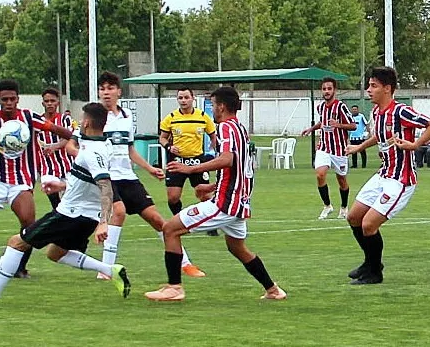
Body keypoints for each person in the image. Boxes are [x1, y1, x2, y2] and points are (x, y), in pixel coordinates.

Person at [0, 103, 130, 306]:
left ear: (87, 122)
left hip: (71, 215)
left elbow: (105, 186)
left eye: (82, 119)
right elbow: (90, 181)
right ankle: (110, 270)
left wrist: (104, 222)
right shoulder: (103, 145)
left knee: (16, 242)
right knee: (55, 253)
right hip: (84, 216)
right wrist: (62, 185)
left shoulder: (93, 152)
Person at [145, 86, 286, 302]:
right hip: (238, 201)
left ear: (221, 106)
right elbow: (239, 168)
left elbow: (227, 159)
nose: (212, 110)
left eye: (212, 105)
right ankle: (273, 289)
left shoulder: (226, 128)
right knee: (236, 247)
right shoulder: (240, 128)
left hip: (225, 204)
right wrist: (210, 187)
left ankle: (174, 288)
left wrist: (190, 169)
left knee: (170, 229)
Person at [0, 79, 72, 280]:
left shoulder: (29, 118)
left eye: (12, 99)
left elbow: (62, 132)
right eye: (4, 99)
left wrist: (63, 136)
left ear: (18, 99)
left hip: (20, 180)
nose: (9, 102)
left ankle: (20, 268)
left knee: (29, 225)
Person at [91, 71, 203, 280]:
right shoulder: (94, 117)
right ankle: (106, 269)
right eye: (102, 89)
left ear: (118, 92)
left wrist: (150, 169)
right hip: (106, 178)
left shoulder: (126, 117)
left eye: (110, 88)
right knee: (119, 212)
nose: (106, 93)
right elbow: (77, 145)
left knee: (157, 219)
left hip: (128, 177)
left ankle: (185, 263)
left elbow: (130, 150)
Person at [344, 67, 430, 285]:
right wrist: (359, 148)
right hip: (383, 174)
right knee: (353, 218)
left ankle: (375, 273)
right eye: (369, 85)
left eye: (373, 86)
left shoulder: (401, 111)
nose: (369, 90)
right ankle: (371, 263)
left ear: (387, 89)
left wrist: (415, 144)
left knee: (369, 225)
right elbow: (379, 136)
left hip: (401, 180)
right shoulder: (377, 112)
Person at [158, 87, 218, 228]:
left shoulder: (202, 116)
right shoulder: (171, 118)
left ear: (193, 98)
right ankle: (179, 221)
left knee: (203, 195)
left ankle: (210, 225)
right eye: (180, 98)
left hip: (197, 161)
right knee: (173, 197)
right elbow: (162, 138)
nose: (183, 101)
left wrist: (216, 152)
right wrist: (169, 147)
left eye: (186, 97)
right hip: (177, 161)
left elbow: (213, 136)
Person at [300, 77, 356, 220]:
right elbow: (322, 122)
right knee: (320, 174)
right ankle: (327, 206)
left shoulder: (341, 107)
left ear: (334, 90)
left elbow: (353, 125)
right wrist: (311, 129)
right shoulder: (321, 107)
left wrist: (339, 125)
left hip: (339, 150)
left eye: (329, 88)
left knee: (342, 180)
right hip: (324, 147)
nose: (326, 91)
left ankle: (344, 207)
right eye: (324, 89)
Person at [36, 88, 73, 210]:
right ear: (43, 103)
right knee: (52, 195)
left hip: (67, 166)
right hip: (48, 168)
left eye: (52, 100)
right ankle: (58, 213)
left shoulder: (65, 119)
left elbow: (70, 137)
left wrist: (54, 147)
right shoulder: (38, 122)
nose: (50, 103)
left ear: (58, 102)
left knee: (70, 202)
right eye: (47, 101)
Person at [348, 105, 368, 169]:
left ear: (358, 110)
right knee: (353, 152)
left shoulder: (361, 116)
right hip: (353, 137)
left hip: (360, 137)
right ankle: (354, 165)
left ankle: (364, 165)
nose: (354, 110)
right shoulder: (350, 117)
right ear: (351, 110)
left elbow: (366, 124)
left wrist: (368, 133)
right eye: (353, 109)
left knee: (362, 151)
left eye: (355, 109)